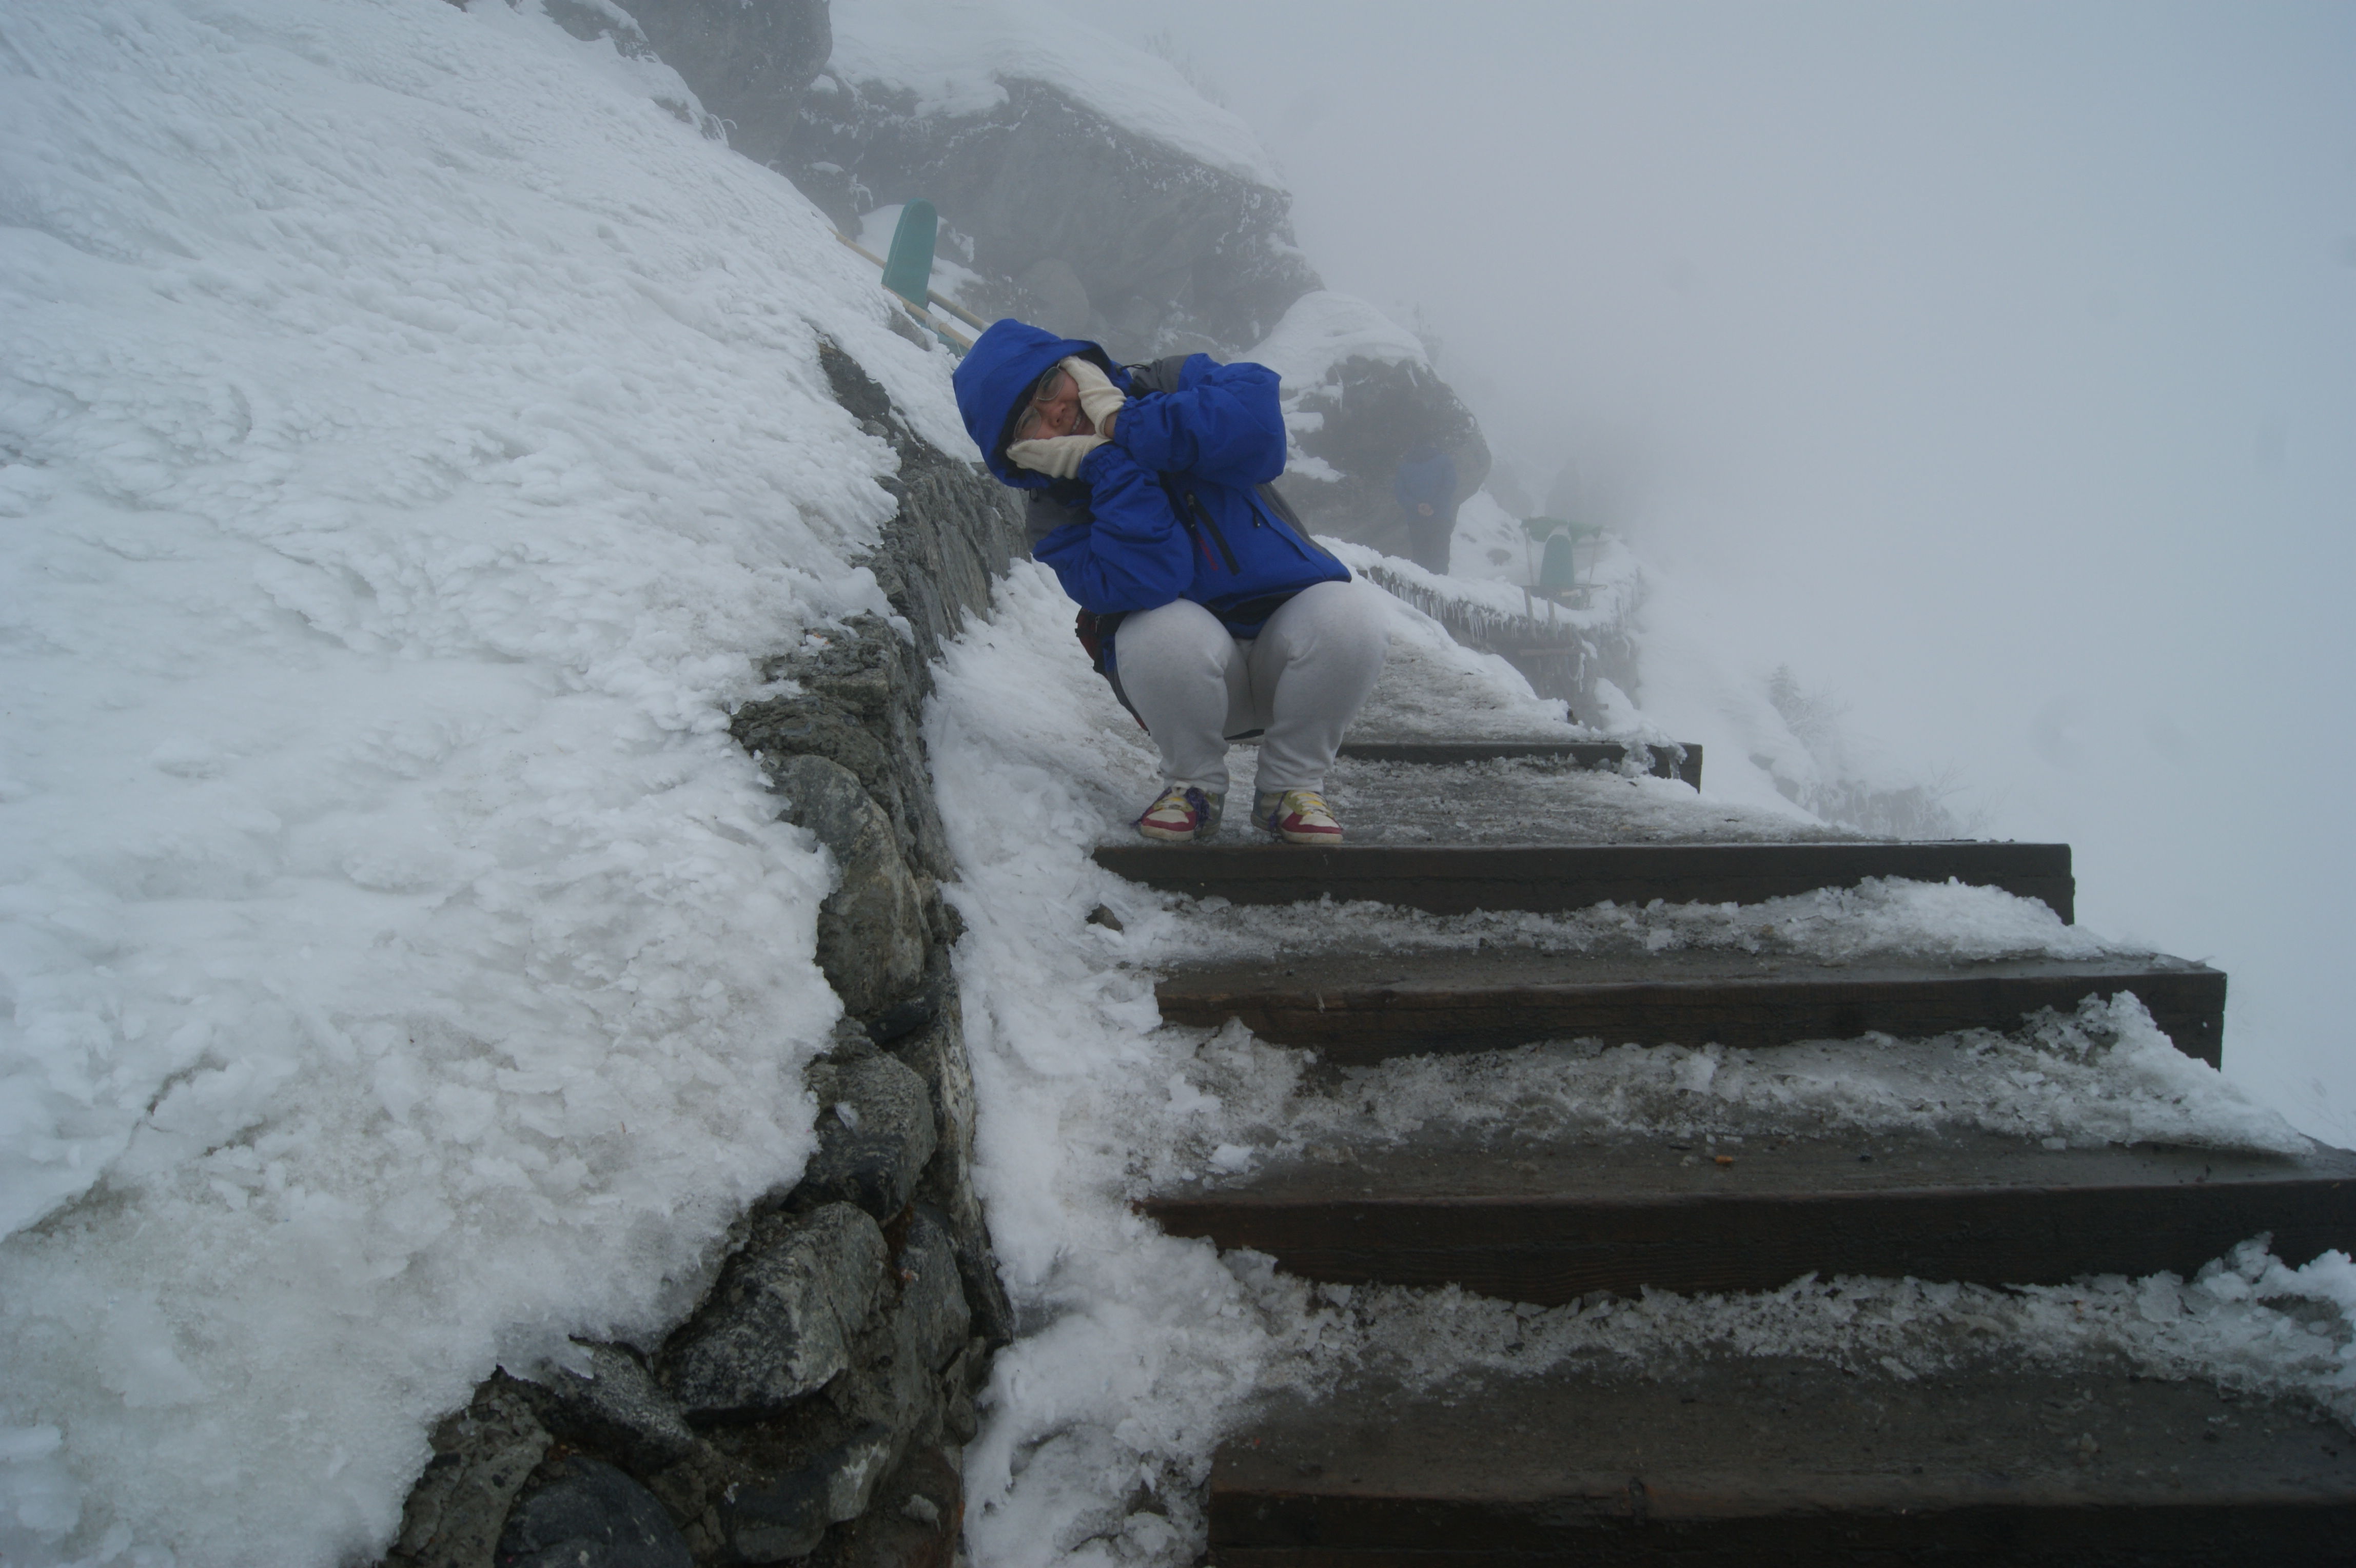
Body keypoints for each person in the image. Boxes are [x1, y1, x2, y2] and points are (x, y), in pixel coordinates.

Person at [951, 319, 1390, 845]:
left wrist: (1125, 422)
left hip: (1291, 653)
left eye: (1050, 386)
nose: (1056, 411)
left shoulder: (1168, 381)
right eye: (1029, 420)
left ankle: (1290, 787)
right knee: (1155, 627)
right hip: (1187, 684)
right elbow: (1147, 582)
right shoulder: (1055, 514)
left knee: (1351, 615)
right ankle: (1192, 784)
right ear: (1017, 452)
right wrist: (1107, 466)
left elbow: (1259, 436)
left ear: (1074, 366)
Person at [1391, 439, 1459, 575]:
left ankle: (1424, 591)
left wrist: (1418, 507)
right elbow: (1450, 485)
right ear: (1433, 444)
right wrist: (1433, 505)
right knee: (1440, 557)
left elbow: (1400, 494)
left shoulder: (1405, 467)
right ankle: (1439, 590)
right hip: (1440, 517)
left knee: (1422, 558)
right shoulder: (1444, 461)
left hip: (1416, 520)